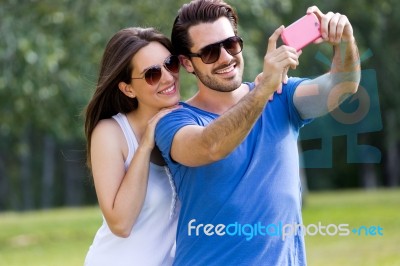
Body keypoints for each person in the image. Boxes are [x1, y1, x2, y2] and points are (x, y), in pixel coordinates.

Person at [155, 0, 360, 265]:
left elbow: (343, 86)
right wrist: (262, 92)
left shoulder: (282, 96)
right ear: (187, 63)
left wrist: (344, 41)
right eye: (209, 52)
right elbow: (210, 147)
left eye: (230, 44)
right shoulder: (173, 121)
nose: (226, 58)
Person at [84, 27, 181, 266]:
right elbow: (121, 223)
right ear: (128, 88)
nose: (168, 77)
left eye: (170, 64)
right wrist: (146, 144)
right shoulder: (111, 133)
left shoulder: (186, 126)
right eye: (152, 74)